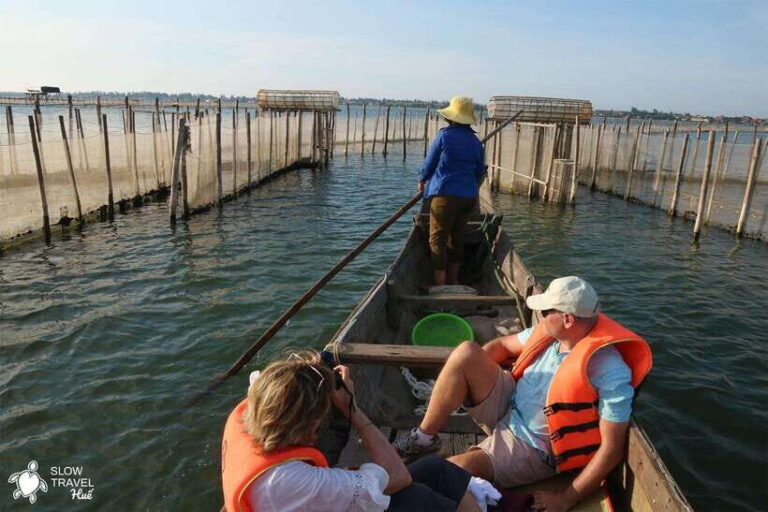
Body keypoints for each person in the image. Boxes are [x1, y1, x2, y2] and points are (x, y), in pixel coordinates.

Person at [394, 277, 653, 512]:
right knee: (465, 353)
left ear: (568, 319)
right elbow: (503, 344)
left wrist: (566, 498)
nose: (538, 316)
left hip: (531, 444)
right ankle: (424, 438)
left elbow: (612, 448)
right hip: (511, 404)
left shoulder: (609, 370)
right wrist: (466, 380)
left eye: (544, 311)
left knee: (453, 471)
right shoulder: (554, 335)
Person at [221, 351, 498, 512]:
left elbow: (264, 383)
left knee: (437, 468)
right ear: (311, 424)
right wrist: (353, 410)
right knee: (415, 498)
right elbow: (398, 478)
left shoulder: (249, 415)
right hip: (298, 495)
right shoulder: (289, 481)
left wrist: (318, 370)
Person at [418, 95, 485, 286]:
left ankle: (441, 285)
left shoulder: (444, 136)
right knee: (457, 238)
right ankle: (454, 280)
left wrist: (422, 179)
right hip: (468, 197)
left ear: (451, 117)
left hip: (445, 194)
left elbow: (429, 164)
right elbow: (480, 171)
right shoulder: (475, 142)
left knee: (437, 239)